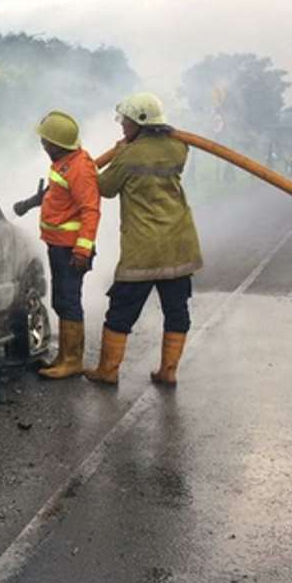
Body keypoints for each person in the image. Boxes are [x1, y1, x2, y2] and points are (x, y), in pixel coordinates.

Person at [84, 92, 203, 387]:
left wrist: (110, 156)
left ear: (140, 122)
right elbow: (176, 148)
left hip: (143, 248)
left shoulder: (130, 155)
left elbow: (106, 188)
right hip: (179, 243)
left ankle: (108, 371)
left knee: (121, 310)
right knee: (177, 310)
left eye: (125, 121)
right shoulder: (179, 148)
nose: (122, 125)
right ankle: (169, 371)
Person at [13, 111, 100, 379]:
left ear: (58, 144)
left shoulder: (79, 169)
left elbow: (90, 211)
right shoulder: (64, 163)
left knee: (69, 301)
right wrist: (29, 204)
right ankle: (64, 356)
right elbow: (55, 196)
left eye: (46, 142)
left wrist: (82, 250)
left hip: (71, 251)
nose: (43, 146)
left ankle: (72, 361)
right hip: (59, 246)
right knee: (62, 301)